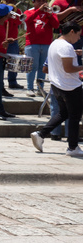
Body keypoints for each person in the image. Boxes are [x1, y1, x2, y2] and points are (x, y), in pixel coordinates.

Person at [31, 22, 82, 156]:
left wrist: (74, 54)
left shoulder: (55, 43)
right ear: (72, 31)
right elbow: (69, 68)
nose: (79, 38)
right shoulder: (66, 46)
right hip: (70, 86)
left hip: (57, 85)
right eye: (78, 34)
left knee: (63, 113)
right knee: (75, 116)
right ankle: (72, 147)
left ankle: (40, 134)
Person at [25, 0, 60, 96]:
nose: (42, 3)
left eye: (44, 1)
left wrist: (50, 15)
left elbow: (56, 25)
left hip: (46, 44)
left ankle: (40, 88)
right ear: (34, 2)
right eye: (39, 1)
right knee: (32, 67)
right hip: (32, 43)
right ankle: (29, 88)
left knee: (42, 67)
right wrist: (38, 11)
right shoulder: (29, 11)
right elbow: (27, 20)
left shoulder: (50, 13)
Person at [2, 0, 25, 90]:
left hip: (13, 40)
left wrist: (12, 16)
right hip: (3, 40)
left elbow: (19, 22)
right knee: (1, 62)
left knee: (14, 62)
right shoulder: (1, 9)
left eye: (11, 0)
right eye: (7, 0)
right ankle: (0, 82)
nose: (9, 2)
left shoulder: (17, 11)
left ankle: (12, 82)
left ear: (14, 2)